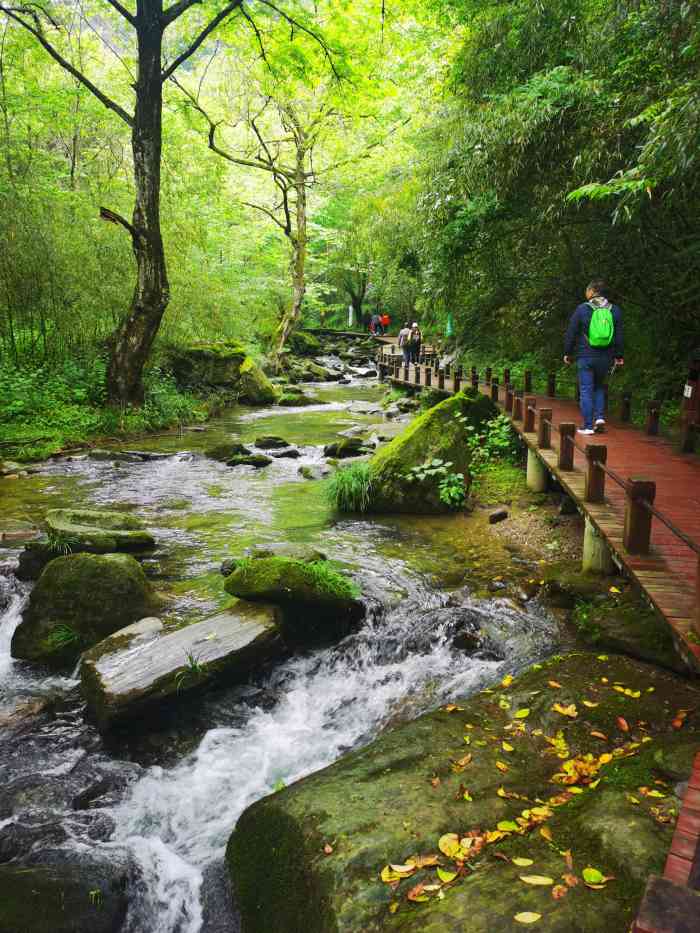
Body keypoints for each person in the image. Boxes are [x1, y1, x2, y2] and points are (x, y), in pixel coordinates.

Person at [564, 279, 624, 435]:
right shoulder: (614, 310)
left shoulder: (582, 309)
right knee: (599, 387)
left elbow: (571, 332)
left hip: (586, 356)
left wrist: (568, 353)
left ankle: (588, 426)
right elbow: (618, 335)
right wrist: (619, 355)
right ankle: (599, 418)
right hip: (606, 357)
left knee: (585, 390)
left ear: (591, 292)